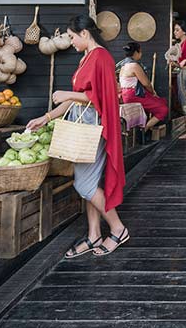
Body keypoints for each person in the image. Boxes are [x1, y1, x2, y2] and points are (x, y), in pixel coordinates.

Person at [27, 15, 128, 257]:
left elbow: (104, 97)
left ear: (85, 33)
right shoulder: (88, 57)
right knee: (89, 183)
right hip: (83, 124)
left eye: (72, 37)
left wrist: (66, 94)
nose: (71, 42)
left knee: (84, 183)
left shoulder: (101, 56)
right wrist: (47, 117)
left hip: (93, 127)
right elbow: (77, 96)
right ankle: (94, 235)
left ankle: (118, 228)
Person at [117, 42, 168, 131]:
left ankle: (145, 127)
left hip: (127, 94)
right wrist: (153, 93)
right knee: (163, 109)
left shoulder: (123, 65)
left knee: (161, 101)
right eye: (140, 51)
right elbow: (146, 84)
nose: (141, 54)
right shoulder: (134, 65)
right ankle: (145, 129)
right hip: (133, 95)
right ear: (136, 53)